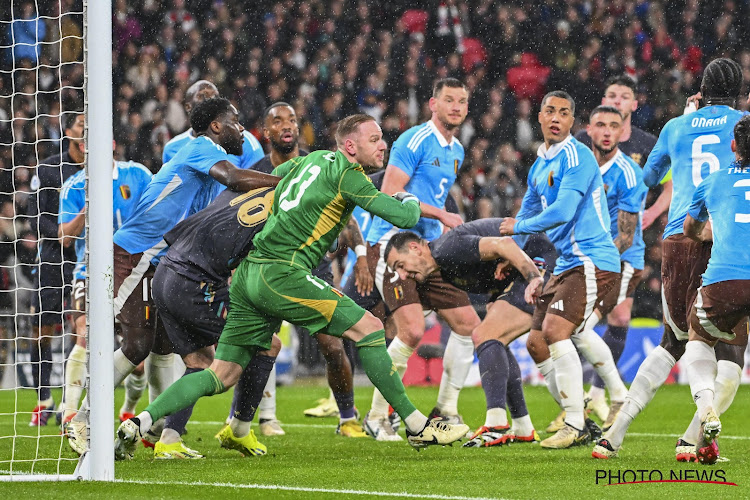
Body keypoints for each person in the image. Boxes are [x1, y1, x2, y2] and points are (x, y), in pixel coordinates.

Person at [115, 114, 470, 459]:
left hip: (250, 273)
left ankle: (140, 422)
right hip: (283, 273)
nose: (383, 146)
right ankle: (416, 424)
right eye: (374, 140)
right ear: (350, 145)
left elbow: (275, 175)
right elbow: (404, 217)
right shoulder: (350, 176)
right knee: (372, 329)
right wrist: (406, 196)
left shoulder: (313, 159)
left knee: (221, 372)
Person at [68, 97, 280, 452]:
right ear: (215, 126)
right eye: (235, 121)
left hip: (165, 264)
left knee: (177, 353)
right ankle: (84, 419)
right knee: (135, 344)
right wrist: (283, 183)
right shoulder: (199, 148)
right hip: (136, 252)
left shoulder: (208, 167)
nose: (241, 128)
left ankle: (156, 434)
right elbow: (234, 177)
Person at [593, 58, 748, 461]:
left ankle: (615, 433)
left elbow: (648, 179)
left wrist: (684, 124)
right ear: (738, 93)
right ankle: (691, 440)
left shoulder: (676, 127)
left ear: (701, 89)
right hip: (727, 237)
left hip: (679, 236)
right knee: (730, 350)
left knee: (672, 341)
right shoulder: (742, 122)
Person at [499, 91, 622, 449]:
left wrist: (515, 229)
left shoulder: (578, 156)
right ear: (539, 117)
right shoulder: (539, 165)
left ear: (572, 122)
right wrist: (513, 256)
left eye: (564, 113)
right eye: (549, 111)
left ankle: (574, 422)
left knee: (557, 331)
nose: (556, 117)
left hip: (592, 259)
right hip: (566, 263)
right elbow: (525, 216)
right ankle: (586, 411)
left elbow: (563, 211)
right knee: (536, 343)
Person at [364, 78, 481, 441]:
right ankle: (376, 416)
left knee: (469, 325)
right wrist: (442, 216)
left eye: (462, 101)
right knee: (412, 331)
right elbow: (391, 191)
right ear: (433, 103)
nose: (456, 107)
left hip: (427, 252)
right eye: (449, 100)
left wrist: (442, 229)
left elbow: (434, 194)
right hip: (392, 242)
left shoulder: (457, 150)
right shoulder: (414, 140)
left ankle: (445, 409)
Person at [384, 224, 552, 447]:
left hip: (541, 260)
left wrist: (533, 277)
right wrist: (497, 294)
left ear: (415, 248)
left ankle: (496, 424)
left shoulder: (446, 249)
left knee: (485, 335)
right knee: (496, 340)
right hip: (529, 263)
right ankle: (523, 427)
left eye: (401, 265)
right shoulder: (443, 266)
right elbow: (492, 258)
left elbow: (504, 244)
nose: (403, 275)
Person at [57, 151, 152, 429]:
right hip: (88, 271)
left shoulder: (138, 175)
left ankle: (129, 408)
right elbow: (64, 237)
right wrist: (87, 210)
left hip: (132, 273)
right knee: (84, 332)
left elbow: (157, 213)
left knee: (136, 355)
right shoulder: (74, 186)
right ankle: (70, 414)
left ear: (108, 144)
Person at [681, 114, 750, 464]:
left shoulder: (714, 181)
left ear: (734, 145)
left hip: (726, 279)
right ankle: (699, 440)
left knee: (698, 337)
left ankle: (706, 408)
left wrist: (713, 233)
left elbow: (690, 228)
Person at [576, 106, 647, 427]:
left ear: (622, 133)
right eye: (600, 124)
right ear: (588, 129)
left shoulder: (629, 173)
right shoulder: (579, 165)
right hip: (585, 256)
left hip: (621, 260)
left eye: (613, 126)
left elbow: (626, 236)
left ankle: (604, 398)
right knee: (570, 329)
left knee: (581, 327)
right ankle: (592, 401)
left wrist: (590, 259)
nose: (607, 131)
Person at [27, 112, 84, 426]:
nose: (85, 130)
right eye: (80, 125)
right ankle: (43, 398)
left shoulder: (101, 169)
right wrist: (60, 235)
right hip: (51, 256)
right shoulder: (48, 168)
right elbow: (33, 215)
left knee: (82, 329)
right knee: (42, 330)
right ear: (68, 132)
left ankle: (71, 401)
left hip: (85, 257)